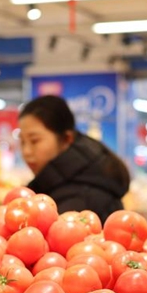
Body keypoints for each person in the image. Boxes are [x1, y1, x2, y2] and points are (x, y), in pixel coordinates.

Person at [18, 95, 131, 223]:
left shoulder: (80, 201)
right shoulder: (54, 185)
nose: (26, 151)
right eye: (22, 142)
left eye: (34, 140)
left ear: (67, 139)